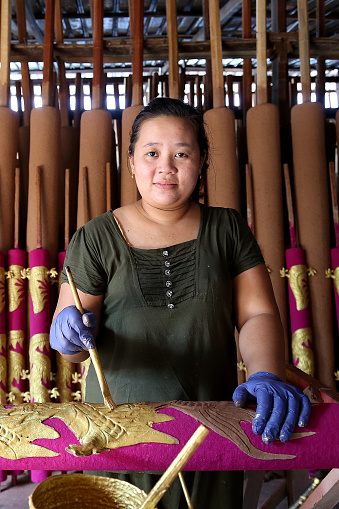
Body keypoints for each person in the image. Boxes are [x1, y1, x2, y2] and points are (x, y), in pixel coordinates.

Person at [50, 97, 311, 508]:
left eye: (182, 153)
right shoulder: (97, 237)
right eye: (151, 153)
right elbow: (74, 347)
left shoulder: (227, 229)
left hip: (210, 432)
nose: (165, 167)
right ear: (132, 160)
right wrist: (67, 334)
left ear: (202, 160)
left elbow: (258, 312)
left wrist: (265, 374)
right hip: (118, 435)